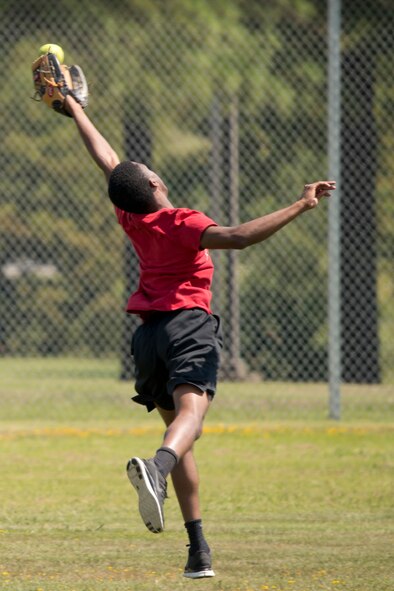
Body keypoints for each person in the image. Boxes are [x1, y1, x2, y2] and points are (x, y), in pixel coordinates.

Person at [63, 94, 336, 578]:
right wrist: (303, 202)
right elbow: (238, 237)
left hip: (148, 339)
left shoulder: (131, 216)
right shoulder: (180, 221)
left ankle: (198, 551)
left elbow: (106, 159)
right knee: (190, 422)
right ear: (154, 182)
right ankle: (156, 470)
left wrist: (74, 107)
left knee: (180, 435)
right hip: (187, 326)